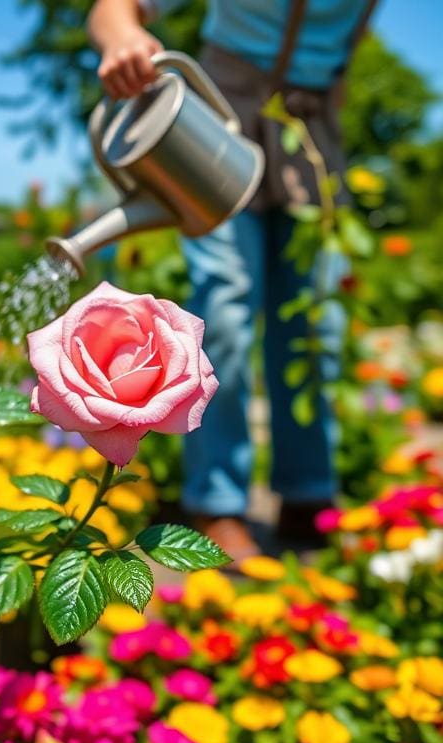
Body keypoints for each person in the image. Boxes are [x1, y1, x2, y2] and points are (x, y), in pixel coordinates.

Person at [87, 0, 378, 560]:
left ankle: (308, 494)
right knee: (223, 307)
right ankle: (215, 501)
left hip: (310, 137)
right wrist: (122, 37)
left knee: (316, 318)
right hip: (215, 125)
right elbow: (113, 8)